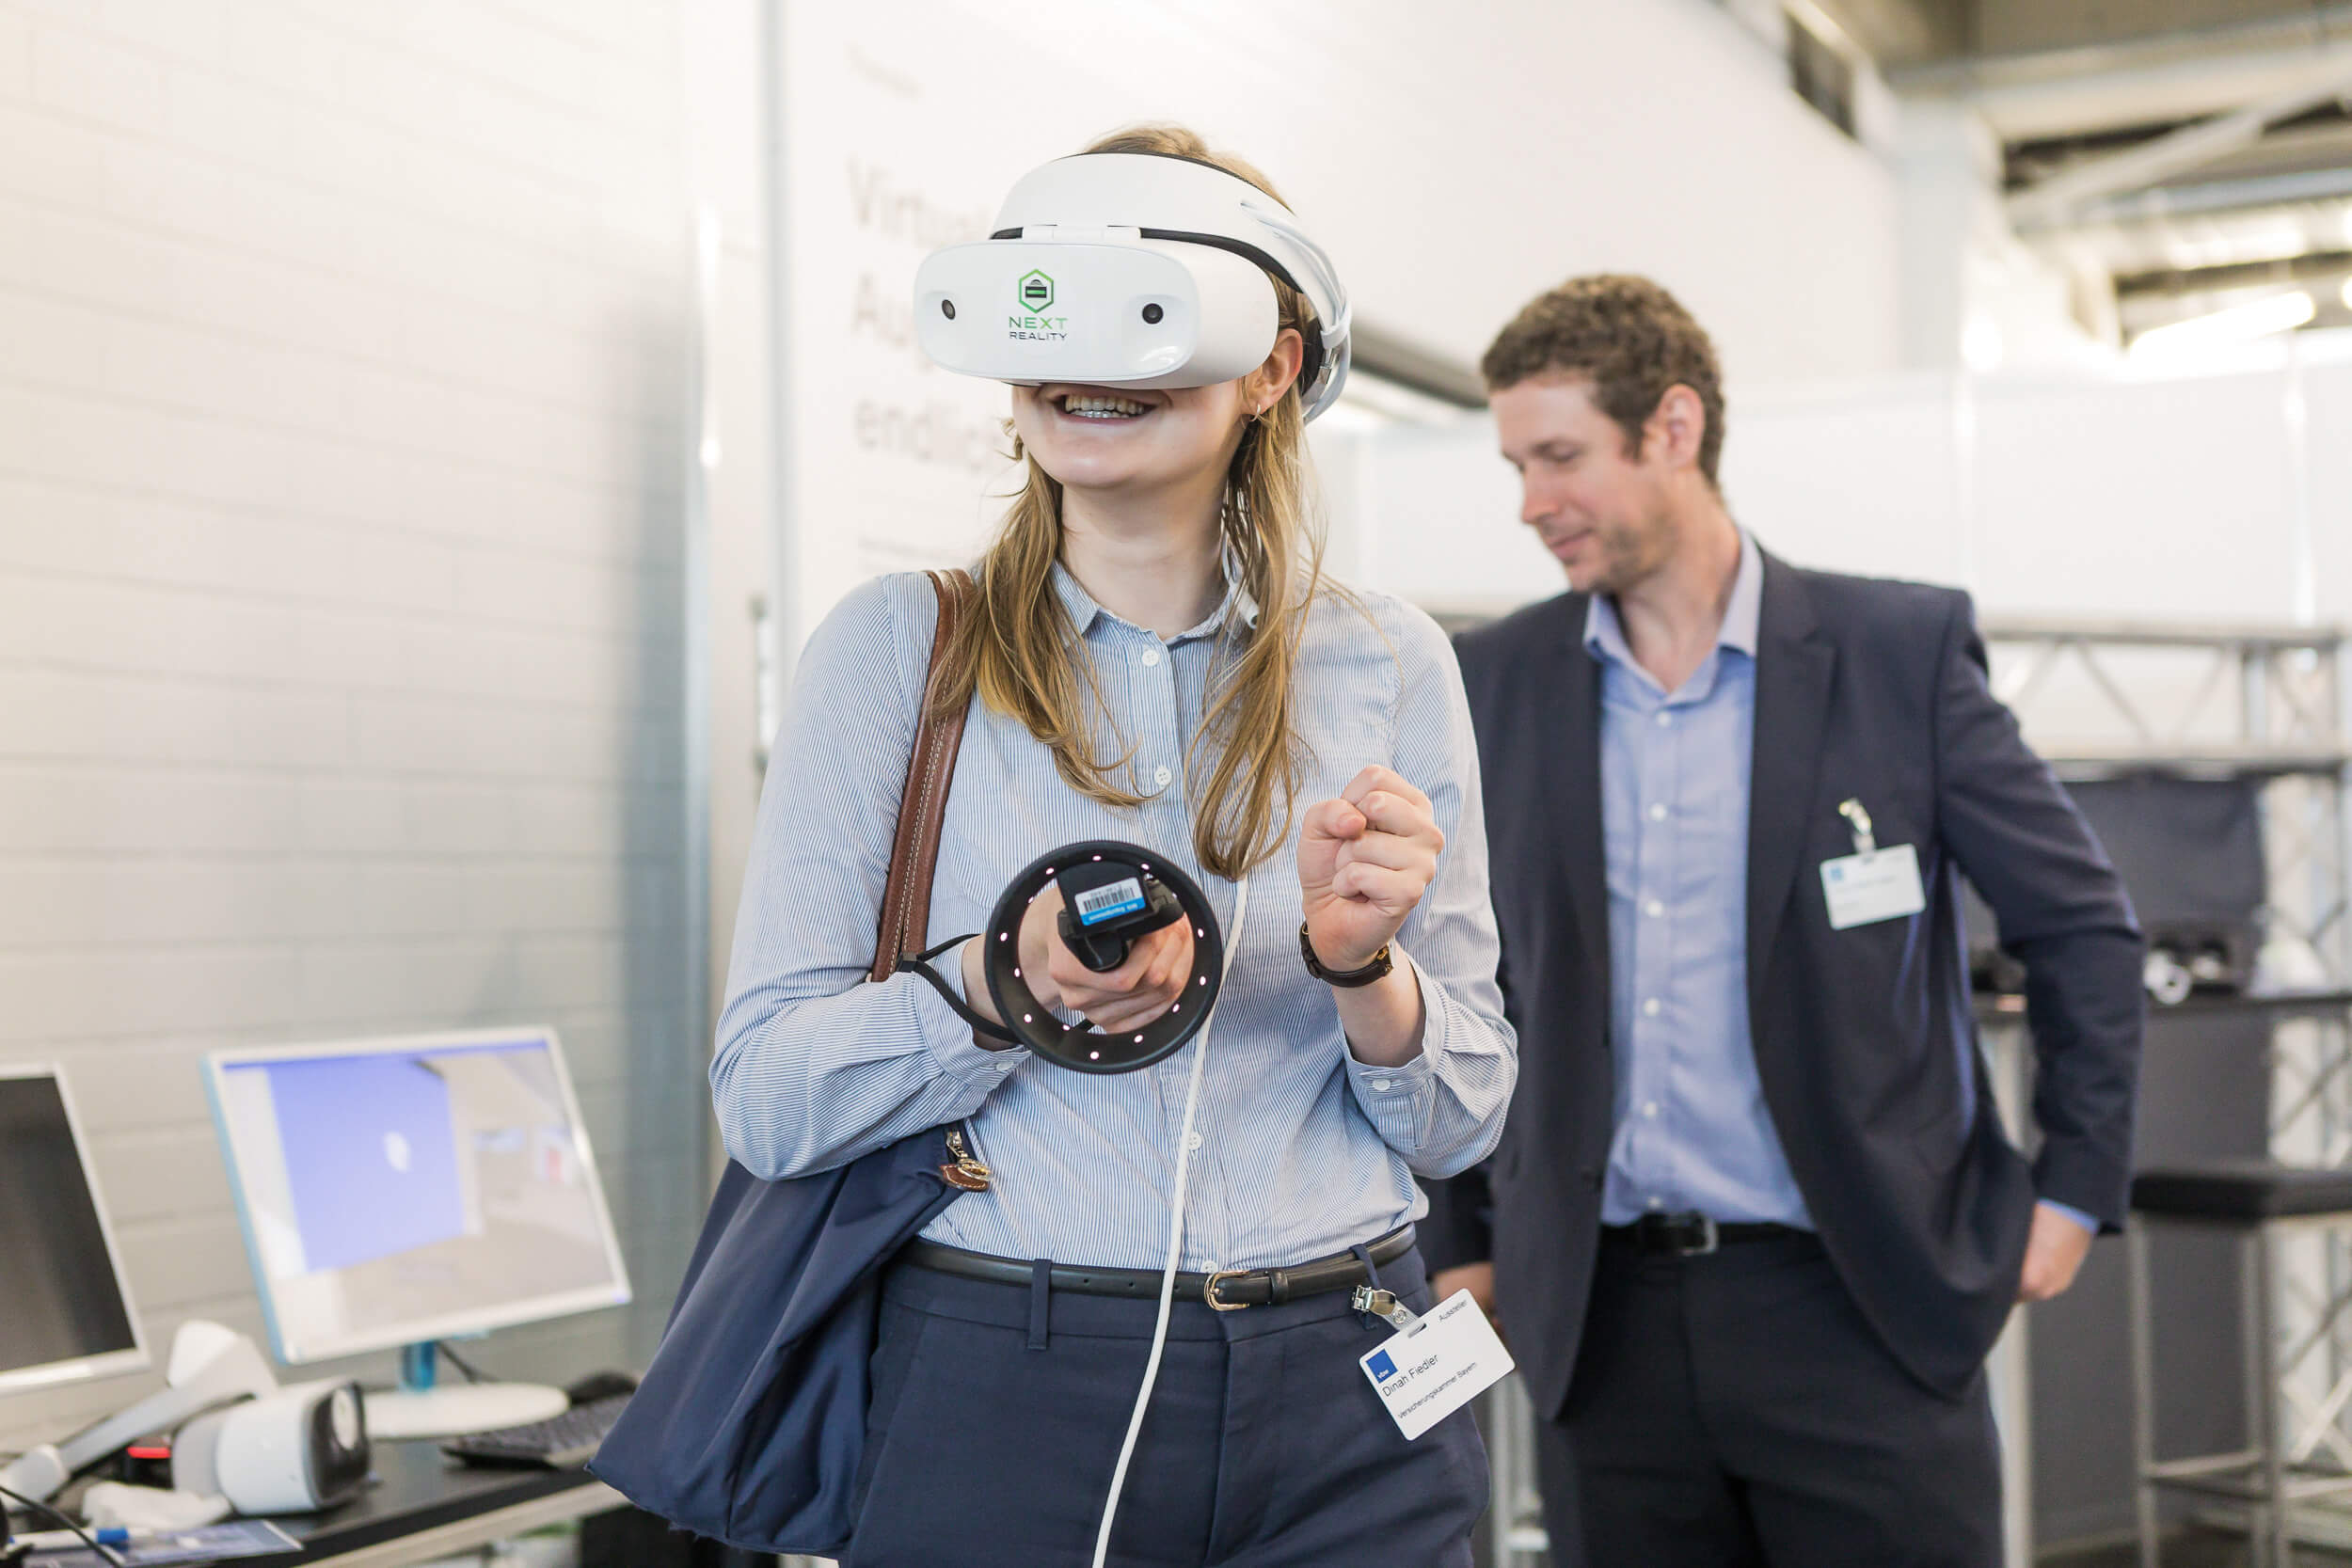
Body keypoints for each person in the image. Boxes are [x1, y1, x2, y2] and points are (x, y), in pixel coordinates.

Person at [711, 126, 1515, 1568]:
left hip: (1358, 1374)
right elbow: (768, 1104)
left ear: (1271, 366)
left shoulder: (1388, 662)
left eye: (1146, 313)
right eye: (1055, 314)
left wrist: (1362, 967)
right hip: (1015, 1379)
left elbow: (1462, 1121)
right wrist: (995, 989)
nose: (1092, 363)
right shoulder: (900, 653)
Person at [1421, 275, 2143, 1567]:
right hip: (1599, 1325)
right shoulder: (1494, 680)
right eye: (1518, 466)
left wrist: (2075, 1191)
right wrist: (1462, 1237)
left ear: (1674, 428)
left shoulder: (1897, 652)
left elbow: (2081, 926)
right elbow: (1457, 977)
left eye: (1561, 457)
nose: (1532, 502)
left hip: (1862, 1305)